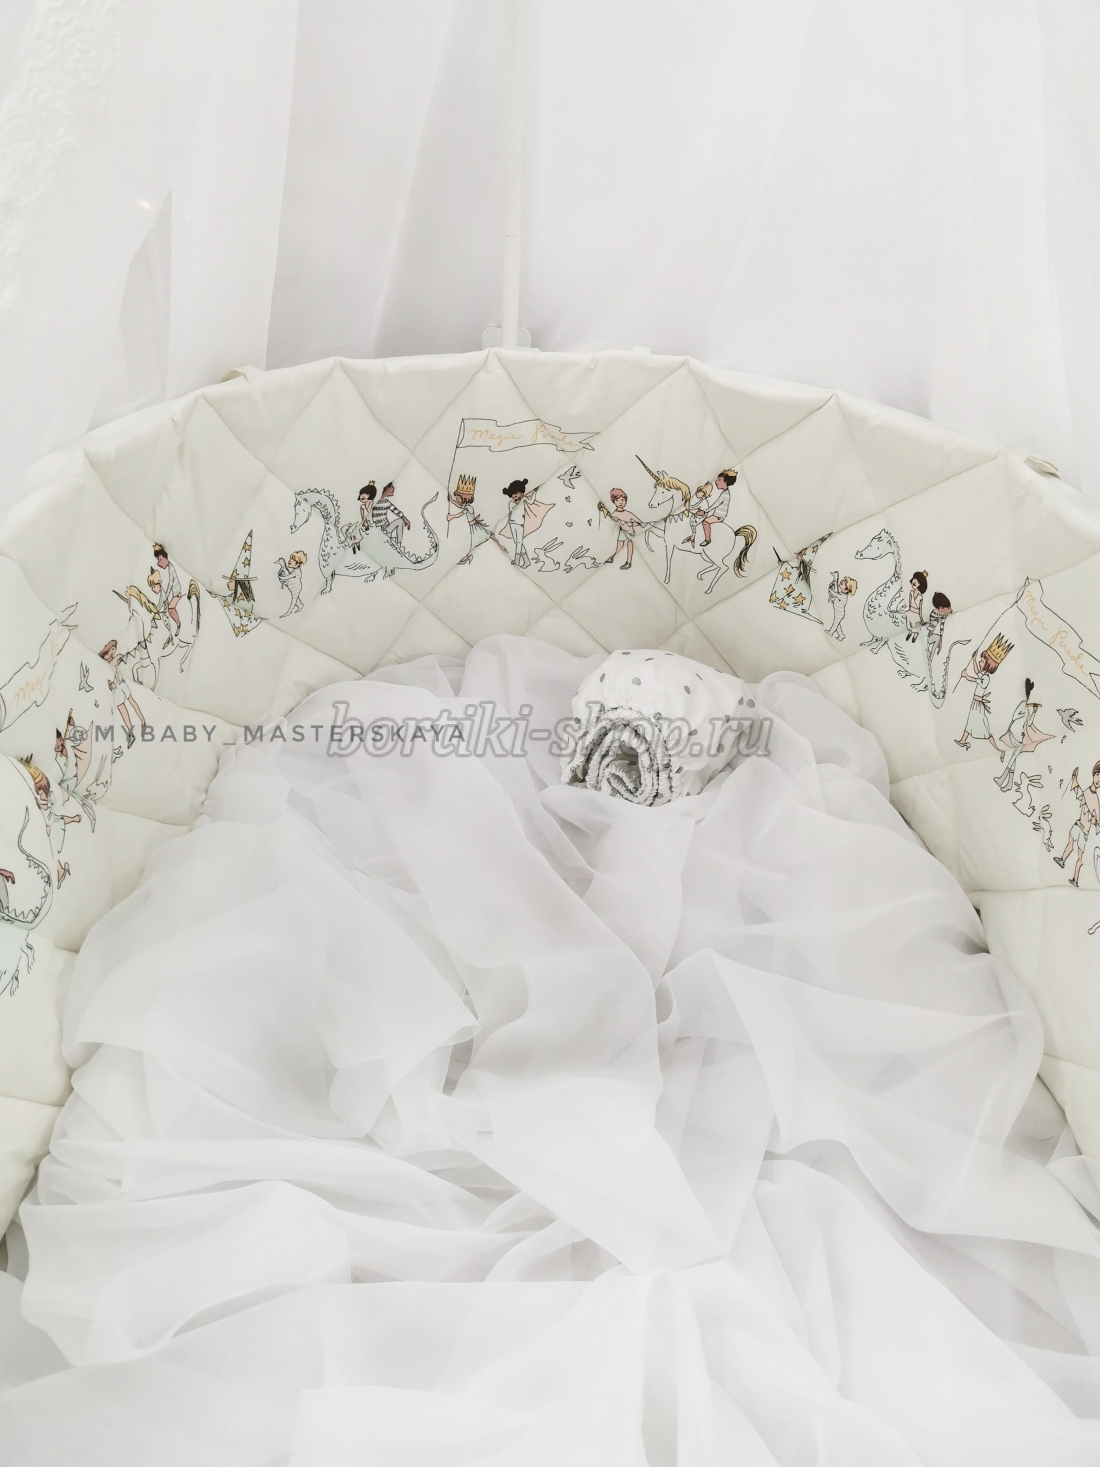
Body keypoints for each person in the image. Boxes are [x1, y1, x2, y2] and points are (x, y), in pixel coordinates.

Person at [955, 634, 1012, 752]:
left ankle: (999, 749)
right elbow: (976, 671)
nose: (980, 662)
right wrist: (973, 659)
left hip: (978, 705)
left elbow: (974, 679)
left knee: (984, 728)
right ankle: (963, 740)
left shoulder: (986, 679)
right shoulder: (983, 674)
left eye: (982, 661)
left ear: (988, 664)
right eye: (980, 660)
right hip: (975, 703)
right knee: (970, 722)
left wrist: (965, 675)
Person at [994, 678, 1052, 792]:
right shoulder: (1022, 704)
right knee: (1013, 758)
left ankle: (1003, 779)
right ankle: (1008, 783)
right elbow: (1015, 717)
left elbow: (1029, 723)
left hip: (1019, 738)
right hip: (1013, 735)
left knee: (1013, 757)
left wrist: (1034, 712)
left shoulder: (1027, 708)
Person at [1056, 759, 1100, 886]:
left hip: (1084, 832)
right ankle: (1062, 860)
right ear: (1094, 774)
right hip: (1077, 825)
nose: (1098, 780)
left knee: (1080, 856)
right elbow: (1079, 793)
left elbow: (1097, 820)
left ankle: (1075, 879)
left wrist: (1094, 820)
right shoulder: (1086, 791)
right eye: (1098, 775)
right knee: (1070, 842)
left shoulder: (1096, 801)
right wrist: (1074, 779)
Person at [98, 639, 146, 748]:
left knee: (131, 701)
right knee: (123, 711)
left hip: (121, 683)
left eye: (114, 650)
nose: (113, 652)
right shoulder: (102, 660)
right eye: (112, 649)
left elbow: (118, 659)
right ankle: (131, 733)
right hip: (114, 689)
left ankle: (142, 721)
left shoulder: (113, 659)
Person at [447, 475, 496, 565]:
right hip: (470, 527)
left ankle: (465, 557)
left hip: (473, 528)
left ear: (465, 498)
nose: (457, 499)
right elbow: (459, 505)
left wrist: (451, 517)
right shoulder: (465, 505)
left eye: (458, 498)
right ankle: (465, 557)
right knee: (468, 541)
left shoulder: (469, 508)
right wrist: (451, 500)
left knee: (470, 542)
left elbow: (460, 514)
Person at [684, 468, 736, 547]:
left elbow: (716, 504)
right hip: (717, 514)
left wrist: (705, 511)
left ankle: (707, 540)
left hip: (719, 516)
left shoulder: (725, 495)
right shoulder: (724, 493)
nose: (716, 481)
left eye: (719, 480)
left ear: (725, 482)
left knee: (705, 522)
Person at [600, 488, 643, 569]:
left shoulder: (627, 513)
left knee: (630, 544)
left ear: (625, 501)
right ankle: (612, 557)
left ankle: (628, 562)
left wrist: (633, 523)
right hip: (622, 531)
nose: (620, 502)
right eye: (617, 500)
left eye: (623, 500)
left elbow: (639, 522)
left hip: (630, 532)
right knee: (619, 545)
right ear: (614, 501)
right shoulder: (615, 513)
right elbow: (611, 520)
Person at [152, 542, 182, 649]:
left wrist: (166, 596)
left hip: (176, 593)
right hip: (173, 593)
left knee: (170, 609)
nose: (158, 563)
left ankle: (178, 624)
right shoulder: (168, 569)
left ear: (165, 558)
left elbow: (170, 583)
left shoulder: (171, 568)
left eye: (160, 560)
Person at [502, 479, 532, 568]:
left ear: (521, 493)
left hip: (519, 524)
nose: (515, 495)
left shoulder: (524, 501)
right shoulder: (510, 503)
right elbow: (510, 513)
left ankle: (517, 560)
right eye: (513, 493)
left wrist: (528, 496)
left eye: (518, 493)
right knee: (517, 542)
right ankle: (526, 561)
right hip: (512, 523)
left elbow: (531, 501)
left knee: (519, 542)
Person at [825, 572, 857, 640]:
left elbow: (835, 595)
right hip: (838, 611)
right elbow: (837, 599)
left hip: (839, 613)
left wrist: (830, 590)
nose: (841, 582)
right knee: (838, 624)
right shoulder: (842, 593)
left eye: (843, 584)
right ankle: (841, 635)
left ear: (846, 589)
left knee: (835, 623)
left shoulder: (843, 596)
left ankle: (831, 632)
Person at [276, 550, 307, 617]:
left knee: (294, 599)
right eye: (290, 558)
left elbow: (288, 576)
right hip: (292, 586)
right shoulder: (294, 569)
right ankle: (300, 605)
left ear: (298, 564)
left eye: (293, 560)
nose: (290, 560)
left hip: (296, 587)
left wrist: (281, 577)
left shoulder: (297, 571)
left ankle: (289, 612)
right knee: (296, 598)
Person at [926, 591, 952, 656]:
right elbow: (937, 629)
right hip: (929, 636)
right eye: (948, 608)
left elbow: (941, 630)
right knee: (937, 638)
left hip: (933, 635)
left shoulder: (942, 615)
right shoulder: (935, 614)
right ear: (940, 608)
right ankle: (931, 656)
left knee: (938, 638)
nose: (950, 610)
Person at [906, 569, 928, 641]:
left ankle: (915, 635)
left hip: (917, 614)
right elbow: (909, 604)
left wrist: (921, 618)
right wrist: (908, 611)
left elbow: (920, 609)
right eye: (914, 579)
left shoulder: (920, 597)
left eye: (918, 581)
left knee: (915, 627)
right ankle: (910, 632)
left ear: (921, 585)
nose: (914, 582)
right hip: (910, 612)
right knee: (909, 625)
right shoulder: (911, 592)